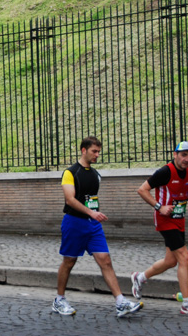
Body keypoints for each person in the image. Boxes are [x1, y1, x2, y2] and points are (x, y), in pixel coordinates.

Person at [52, 136, 143, 318]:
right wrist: (91, 213)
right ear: (83, 150)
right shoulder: (70, 173)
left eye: (99, 151)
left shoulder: (96, 175)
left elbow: (90, 199)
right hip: (74, 222)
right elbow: (70, 199)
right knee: (69, 261)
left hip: (93, 225)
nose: (97, 155)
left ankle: (120, 302)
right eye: (94, 151)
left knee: (105, 260)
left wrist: (93, 215)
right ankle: (59, 300)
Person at [130, 141, 188, 316]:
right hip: (165, 220)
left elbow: (182, 189)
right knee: (184, 258)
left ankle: (139, 277)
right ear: (175, 154)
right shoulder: (165, 171)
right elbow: (142, 190)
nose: (186, 159)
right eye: (183, 155)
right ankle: (187, 304)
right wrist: (159, 207)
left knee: (171, 261)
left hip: (179, 219)